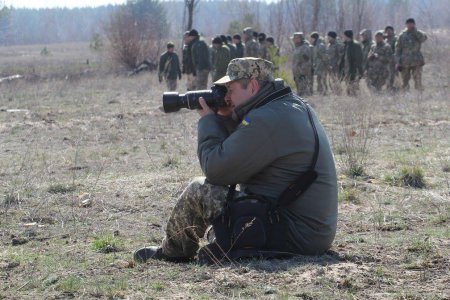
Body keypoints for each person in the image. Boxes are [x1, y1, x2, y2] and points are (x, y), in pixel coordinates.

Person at [133, 57, 338, 263]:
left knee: (199, 189)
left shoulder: (266, 119)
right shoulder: (289, 106)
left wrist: (209, 122)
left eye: (231, 90)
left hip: (293, 234)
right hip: (311, 232)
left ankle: (173, 252)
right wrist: (227, 119)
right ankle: (226, 241)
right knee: (222, 226)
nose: (227, 98)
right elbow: (252, 144)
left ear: (253, 86)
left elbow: (216, 170)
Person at [395, 18, 427, 91]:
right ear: (406, 25)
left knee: (418, 79)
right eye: (408, 23)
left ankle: (419, 96)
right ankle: (405, 97)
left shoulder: (419, 33)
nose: (409, 25)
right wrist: (397, 62)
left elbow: (423, 39)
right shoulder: (402, 35)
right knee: (404, 81)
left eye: (411, 23)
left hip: (416, 61)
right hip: (404, 61)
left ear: (414, 24)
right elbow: (398, 49)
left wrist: (414, 31)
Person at [339, 30, 364, 96]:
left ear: (347, 36)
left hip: (353, 70)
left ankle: (356, 101)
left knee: (354, 88)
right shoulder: (346, 45)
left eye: (344, 35)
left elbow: (359, 59)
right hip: (347, 70)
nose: (343, 37)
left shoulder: (355, 45)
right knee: (348, 88)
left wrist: (359, 71)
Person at [291, 32, 313, 96]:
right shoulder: (297, 47)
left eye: (296, 38)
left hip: (302, 73)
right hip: (296, 72)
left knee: (303, 90)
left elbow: (307, 60)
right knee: (299, 90)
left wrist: (303, 72)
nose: (294, 40)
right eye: (294, 38)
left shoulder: (305, 47)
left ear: (301, 39)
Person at [384, 26, 398, 91]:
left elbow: (397, 50)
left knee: (394, 76)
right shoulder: (386, 40)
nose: (388, 32)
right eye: (387, 31)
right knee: (388, 76)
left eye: (389, 31)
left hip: (394, 60)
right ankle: (389, 89)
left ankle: (395, 89)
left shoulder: (395, 39)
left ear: (392, 31)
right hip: (387, 61)